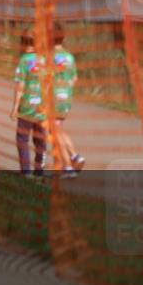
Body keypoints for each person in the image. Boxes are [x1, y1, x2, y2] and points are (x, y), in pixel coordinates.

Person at [11, 28, 47, 176]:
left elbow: (20, 86)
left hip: (26, 108)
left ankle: (26, 172)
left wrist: (14, 108)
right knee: (40, 142)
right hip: (41, 109)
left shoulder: (24, 61)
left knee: (22, 140)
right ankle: (39, 171)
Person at [51, 22, 82, 176]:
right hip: (66, 97)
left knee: (55, 132)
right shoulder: (69, 56)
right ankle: (75, 155)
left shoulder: (48, 56)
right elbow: (74, 78)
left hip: (53, 97)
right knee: (59, 129)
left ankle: (68, 166)